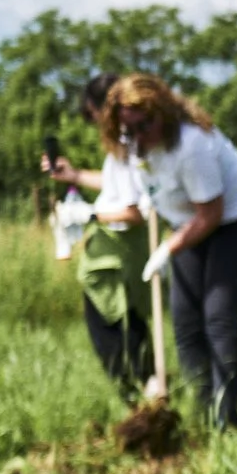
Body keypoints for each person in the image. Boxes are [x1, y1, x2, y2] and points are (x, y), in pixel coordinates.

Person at [98, 74, 237, 429]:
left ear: (162, 111)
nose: (139, 136)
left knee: (218, 318)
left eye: (145, 124)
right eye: (129, 130)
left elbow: (212, 214)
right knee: (186, 323)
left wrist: (168, 249)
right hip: (190, 223)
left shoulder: (191, 144)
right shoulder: (133, 147)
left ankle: (227, 424)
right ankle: (204, 415)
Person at [42, 72, 155, 394]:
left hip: (120, 249)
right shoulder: (126, 146)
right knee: (127, 319)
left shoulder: (129, 146)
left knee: (109, 322)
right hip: (121, 246)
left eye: (95, 117)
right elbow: (117, 187)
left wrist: (89, 213)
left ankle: (137, 396)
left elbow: (135, 211)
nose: (96, 126)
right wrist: (74, 174)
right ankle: (146, 387)